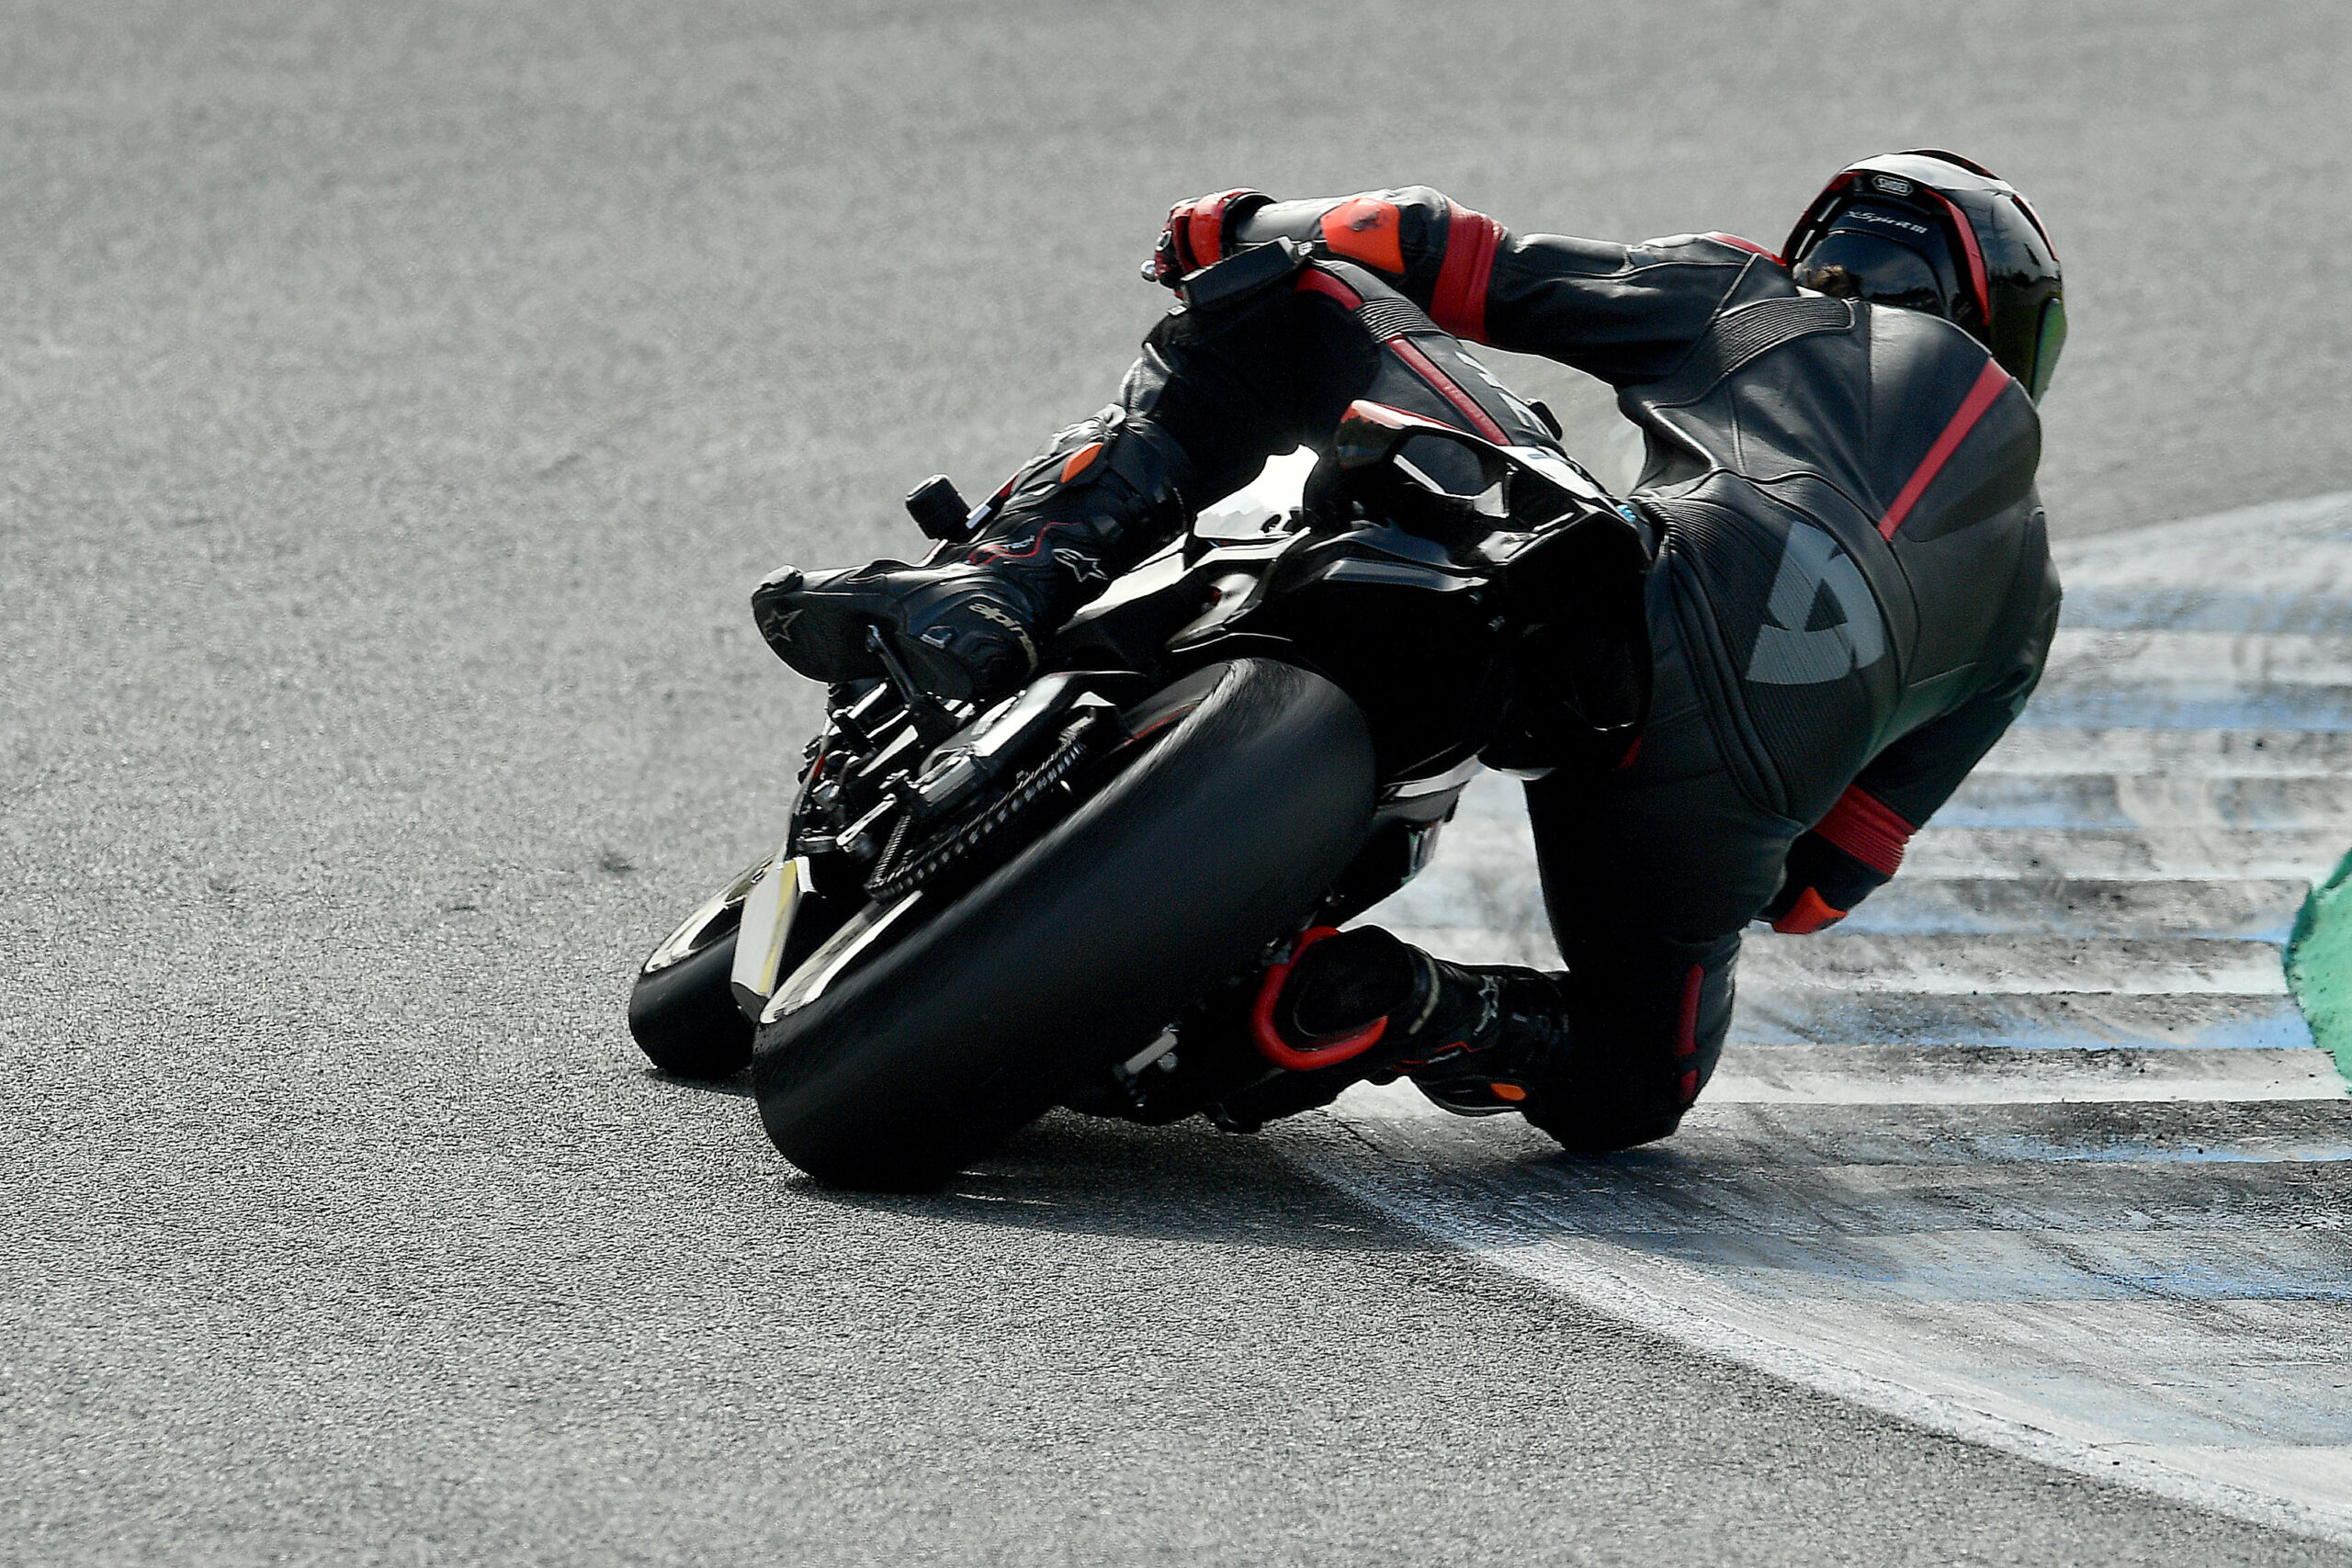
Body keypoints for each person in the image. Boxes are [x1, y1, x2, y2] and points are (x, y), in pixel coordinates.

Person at [751, 150, 2066, 1152]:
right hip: (1712, 794)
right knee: (1634, 1085)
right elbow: (1816, 893)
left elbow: (1433, 248)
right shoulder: (2028, 603)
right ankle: (1399, 1010)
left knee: (1283, 299)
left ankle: (1002, 582)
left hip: (1616, 588)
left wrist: (1239, 230)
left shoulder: (1760, 296)